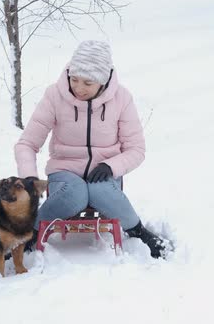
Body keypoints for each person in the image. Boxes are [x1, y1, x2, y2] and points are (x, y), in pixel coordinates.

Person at [14, 40, 173, 259]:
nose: (78, 88)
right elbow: (27, 144)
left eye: (88, 83)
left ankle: (138, 231)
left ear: (103, 80)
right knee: (76, 191)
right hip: (65, 173)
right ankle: (30, 232)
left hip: (103, 174)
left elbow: (136, 149)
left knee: (99, 190)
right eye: (74, 79)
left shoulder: (122, 99)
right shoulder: (54, 96)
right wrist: (29, 177)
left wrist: (111, 165)